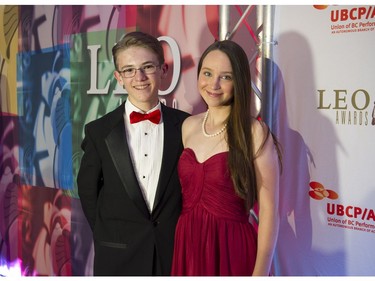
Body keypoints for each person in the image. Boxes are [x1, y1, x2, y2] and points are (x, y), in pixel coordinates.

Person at [77, 31, 190, 276]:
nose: (138, 77)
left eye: (147, 66)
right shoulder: (99, 131)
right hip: (118, 255)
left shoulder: (187, 127)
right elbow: (88, 191)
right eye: (128, 70)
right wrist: (108, 233)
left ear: (163, 70)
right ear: (119, 77)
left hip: (172, 254)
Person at [171, 40, 282, 276]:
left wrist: (260, 274)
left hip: (231, 249)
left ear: (239, 82)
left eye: (226, 77)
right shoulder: (188, 126)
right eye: (207, 73)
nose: (214, 84)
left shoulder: (254, 132)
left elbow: (270, 210)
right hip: (189, 246)